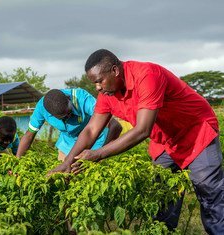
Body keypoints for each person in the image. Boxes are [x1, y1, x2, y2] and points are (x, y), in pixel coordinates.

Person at [49, 49, 223, 234]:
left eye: (100, 81)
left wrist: (98, 154)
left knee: (210, 195)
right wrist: (67, 163)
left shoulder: (147, 76)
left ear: (115, 71)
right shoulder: (108, 94)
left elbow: (142, 130)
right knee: (162, 199)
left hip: (195, 131)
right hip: (165, 141)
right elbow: (91, 130)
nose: (97, 87)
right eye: (95, 83)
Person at [16, 88, 122, 161]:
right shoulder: (42, 108)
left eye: (69, 113)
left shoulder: (82, 98)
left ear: (68, 98)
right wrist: (16, 162)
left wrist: (100, 153)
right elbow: (29, 135)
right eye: (63, 117)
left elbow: (115, 126)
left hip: (96, 142)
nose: (68, 118)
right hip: (68, 146)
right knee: (63, 178)